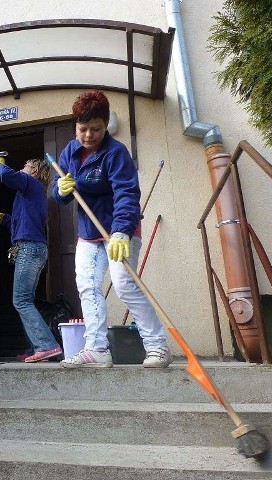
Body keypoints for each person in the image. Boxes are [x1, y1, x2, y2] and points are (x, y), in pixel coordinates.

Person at [51, 90, 172, 368]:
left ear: (106, 125)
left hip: (119, 230)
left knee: (125, 285)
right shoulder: (70, 151)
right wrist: (60, 190)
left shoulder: (115, 153)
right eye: (83, 129)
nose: (89, 135)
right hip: (88, 233)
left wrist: (121, 232)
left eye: (96, 129)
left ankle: (157, 347)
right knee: (88, 287)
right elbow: (60, 193)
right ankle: (97, 349)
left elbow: (127, 193)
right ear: (75, 127)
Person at [0, 153, 63, 363]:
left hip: (29, 249)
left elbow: (6, 176)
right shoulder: (33, 192)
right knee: (25, 300)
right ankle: (35, 347)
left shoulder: (30, 183)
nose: (22, 167)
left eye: (25, 165)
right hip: (33, 248)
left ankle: (47, 345)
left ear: (34, 171)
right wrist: (6, 219)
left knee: (21, 300)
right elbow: (23, 222)